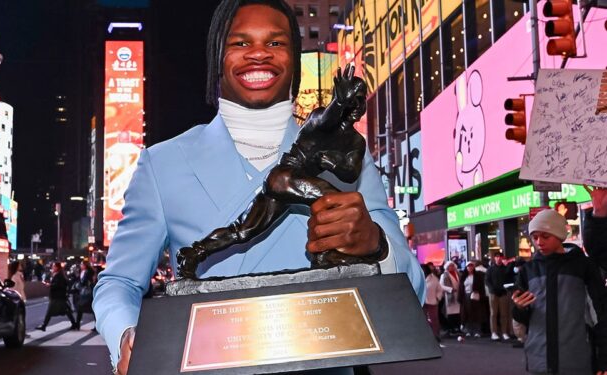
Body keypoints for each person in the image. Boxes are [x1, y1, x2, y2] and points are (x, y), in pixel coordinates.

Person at [92, 1, 425, 374]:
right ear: (217, 54)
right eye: (239, 43)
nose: (258, 55)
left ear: (295, 58)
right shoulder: (162, 163)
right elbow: (119, 282)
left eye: (276, 43)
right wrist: (124, 335)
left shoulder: (342, 155)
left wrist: (375, 245)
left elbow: (412, 287)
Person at [511, 209, 607, 375]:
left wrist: (604, 361)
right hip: (538, 360)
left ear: (559, 234)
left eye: (545, 236)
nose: (539, 242)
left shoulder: (583, 266)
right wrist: (518, 308)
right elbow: (524, 320)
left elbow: (600, 314)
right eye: (534, 237)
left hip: (577, 360)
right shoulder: (528, 271)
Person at [36, 262, 77, 331]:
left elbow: (59, 285)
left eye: (54, 266)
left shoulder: (59, 275)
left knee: (50, 311)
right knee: (66, 311)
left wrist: (50, 285)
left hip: (58, 296)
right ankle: (74, 323)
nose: (52, 267)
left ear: (57, 267)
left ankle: (44, 325)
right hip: (59, 296)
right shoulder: (56, 274)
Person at [485, 252, 513, 341]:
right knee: (493, 313)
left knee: (504, 314)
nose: (498, 258)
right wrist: (492, 289)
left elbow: (509, 279)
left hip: (503, 293)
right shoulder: (490, 269)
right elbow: (487, 280)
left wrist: (505, 289)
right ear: (494, 258)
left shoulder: (505, 269)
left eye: (500, 257)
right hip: (493, 293)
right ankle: (494, 332)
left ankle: (504, 332)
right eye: (497, 257)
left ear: (502, 258)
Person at [461, 261, 486, 337]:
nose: (470, 267)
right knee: (467, 313)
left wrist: (481, 295)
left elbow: (481, 287)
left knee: (477, 313)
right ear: (466, 267)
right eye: (468, 266)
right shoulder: (464, 276)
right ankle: (468, 330)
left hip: (475, 296)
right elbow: (461, 287)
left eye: (471, 266)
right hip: (466, 296)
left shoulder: (477, 276)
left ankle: (477, 331)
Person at [422, 263, 444, 343]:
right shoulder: (417, 277)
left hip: (432, 302)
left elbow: (440, 290)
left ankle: (436, 335)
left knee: (434, 319)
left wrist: (438, 298)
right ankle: (424, 336)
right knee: (422, 320)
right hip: (421, 302)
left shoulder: (434, 278)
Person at [440, 261, 462, 336]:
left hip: (458, 295)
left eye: (452, 266)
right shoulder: (444, 275)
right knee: (451, 313)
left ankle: (458, 327)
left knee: (458, 313)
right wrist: (450, 289)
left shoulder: (458, 274)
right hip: (449, 296)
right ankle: (451, 328)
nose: (451, 267)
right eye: (450, 266)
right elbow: (441, 286)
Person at [73, 260, 96, 330]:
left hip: (87, 293)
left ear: (85, 265)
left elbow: (83, 282)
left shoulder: (88, 272)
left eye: (82, 264)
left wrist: (77, 285)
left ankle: (97, 325)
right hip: (83, 293)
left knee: (92, 309)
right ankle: (77, 324)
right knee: (80, 308)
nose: (80, 265)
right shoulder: (82, 272)